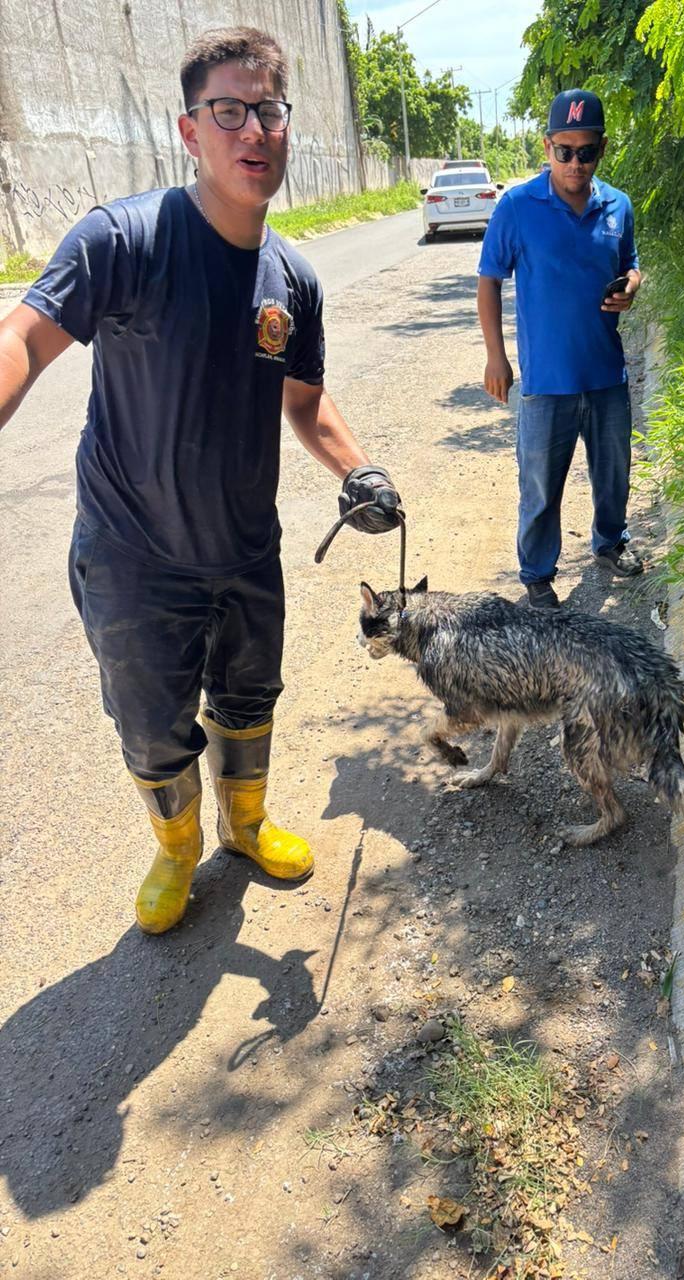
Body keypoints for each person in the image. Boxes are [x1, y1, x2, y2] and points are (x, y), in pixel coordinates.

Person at [0, 27, 401, 934]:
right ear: (190, 131)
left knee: (250, 700)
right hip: (134, 557)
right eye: (228, 111)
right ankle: (176, 847)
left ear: (287, 126)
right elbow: (25, 336)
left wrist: (360, 469)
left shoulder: (292, 277)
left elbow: (304, 403)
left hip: (246, 549)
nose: (253, 129)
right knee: (152, 723)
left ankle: (246, 825)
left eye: (269, 110)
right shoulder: (126, 240)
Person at [477, 89, 643, 609]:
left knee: (614, 472)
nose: (575, 162)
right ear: (547, 147)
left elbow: (631, 261)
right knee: (541, 484)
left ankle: (610, 543)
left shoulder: (618, 205)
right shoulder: (518, 208)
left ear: (602, 149)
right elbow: (488, 279)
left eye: (586, 151)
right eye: (564, 151)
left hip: (606, 373)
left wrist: (632, 286)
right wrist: (496, 356)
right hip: (547, 379)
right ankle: (537, 574)